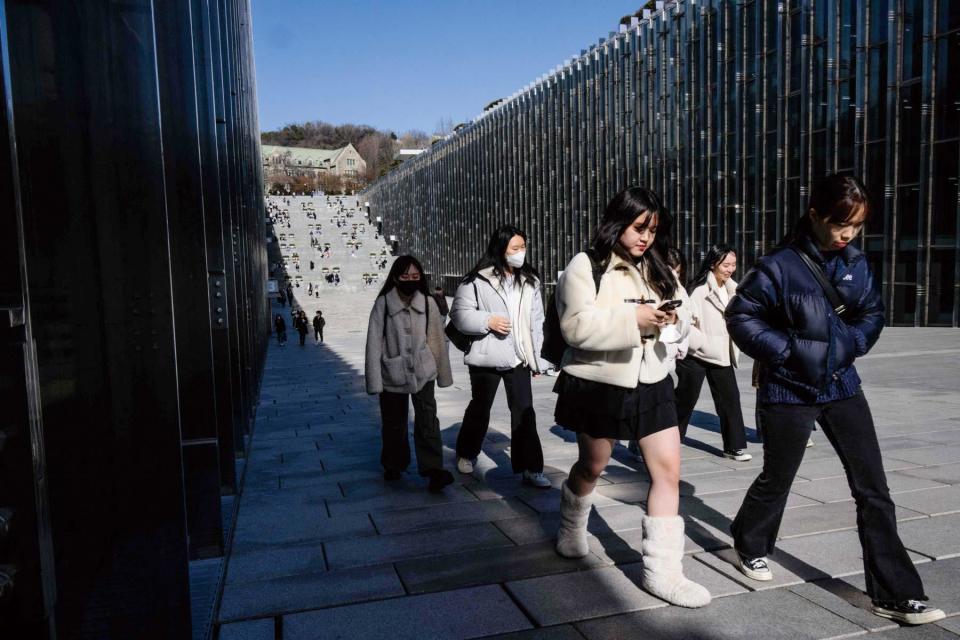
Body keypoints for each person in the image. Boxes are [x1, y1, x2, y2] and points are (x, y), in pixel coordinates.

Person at [725, 175, 944, 625]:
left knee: (874, 489)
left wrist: (850, 346)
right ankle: (749, 542)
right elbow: (741, 316)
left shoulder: (855, 263)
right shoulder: (777, 266)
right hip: (789, 390)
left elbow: (872, 314)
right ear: (815, 216)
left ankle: (895, 593)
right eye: (841, 223)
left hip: (843, 386)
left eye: (857, 226)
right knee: (777, 479)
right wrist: (786, 353)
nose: (847, 234)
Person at [552, 186, 710, 608]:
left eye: (653, 230)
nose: (646, 238)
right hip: (601, 382)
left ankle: (663, 573)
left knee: (667, 473)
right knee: (592, 466)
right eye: (640, 227)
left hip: (654, 377)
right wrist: (634, 318)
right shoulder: (587, 264)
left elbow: (686, 314)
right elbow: (575, 327)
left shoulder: (659, 266)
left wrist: (671, 317)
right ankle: (571, 524)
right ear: (618, 221)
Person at [450, 224, 550, 488]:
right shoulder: (477, 279)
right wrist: (488, 320)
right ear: (501, 249)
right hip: (487, 355)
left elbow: (537, 322)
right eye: (515, 248)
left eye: (523, 247)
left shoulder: (531, 280)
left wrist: (538, 357)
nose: (520, 253)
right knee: (480, 408)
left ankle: (531, 467)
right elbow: (459, 314)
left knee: (524, 411)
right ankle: (466, 453)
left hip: (518, 357)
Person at [365, 256, 455, 493]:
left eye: (415, 276)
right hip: (392, 372)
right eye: (405, 276)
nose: (410, 281)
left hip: (423, 371)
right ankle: (394, 463)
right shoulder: (383, 303)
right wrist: (374, 381)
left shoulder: (427, 303)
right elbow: (374, 343)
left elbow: (436, 339)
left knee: (428, 420)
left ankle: (433, 469)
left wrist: (443, 374)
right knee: (394, 423)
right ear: (395, 277)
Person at [674, 245, 751, 461]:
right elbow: (686, 322)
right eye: (726, 265)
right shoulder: (699, 290)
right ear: (713, 264)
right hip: (696, 355)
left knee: (730, 400)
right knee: (684, 400)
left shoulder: (733, 290)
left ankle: (734, 447)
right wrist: (701, 344)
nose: (730, 269)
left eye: (733, 265)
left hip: (721, 354)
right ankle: (665, 441)